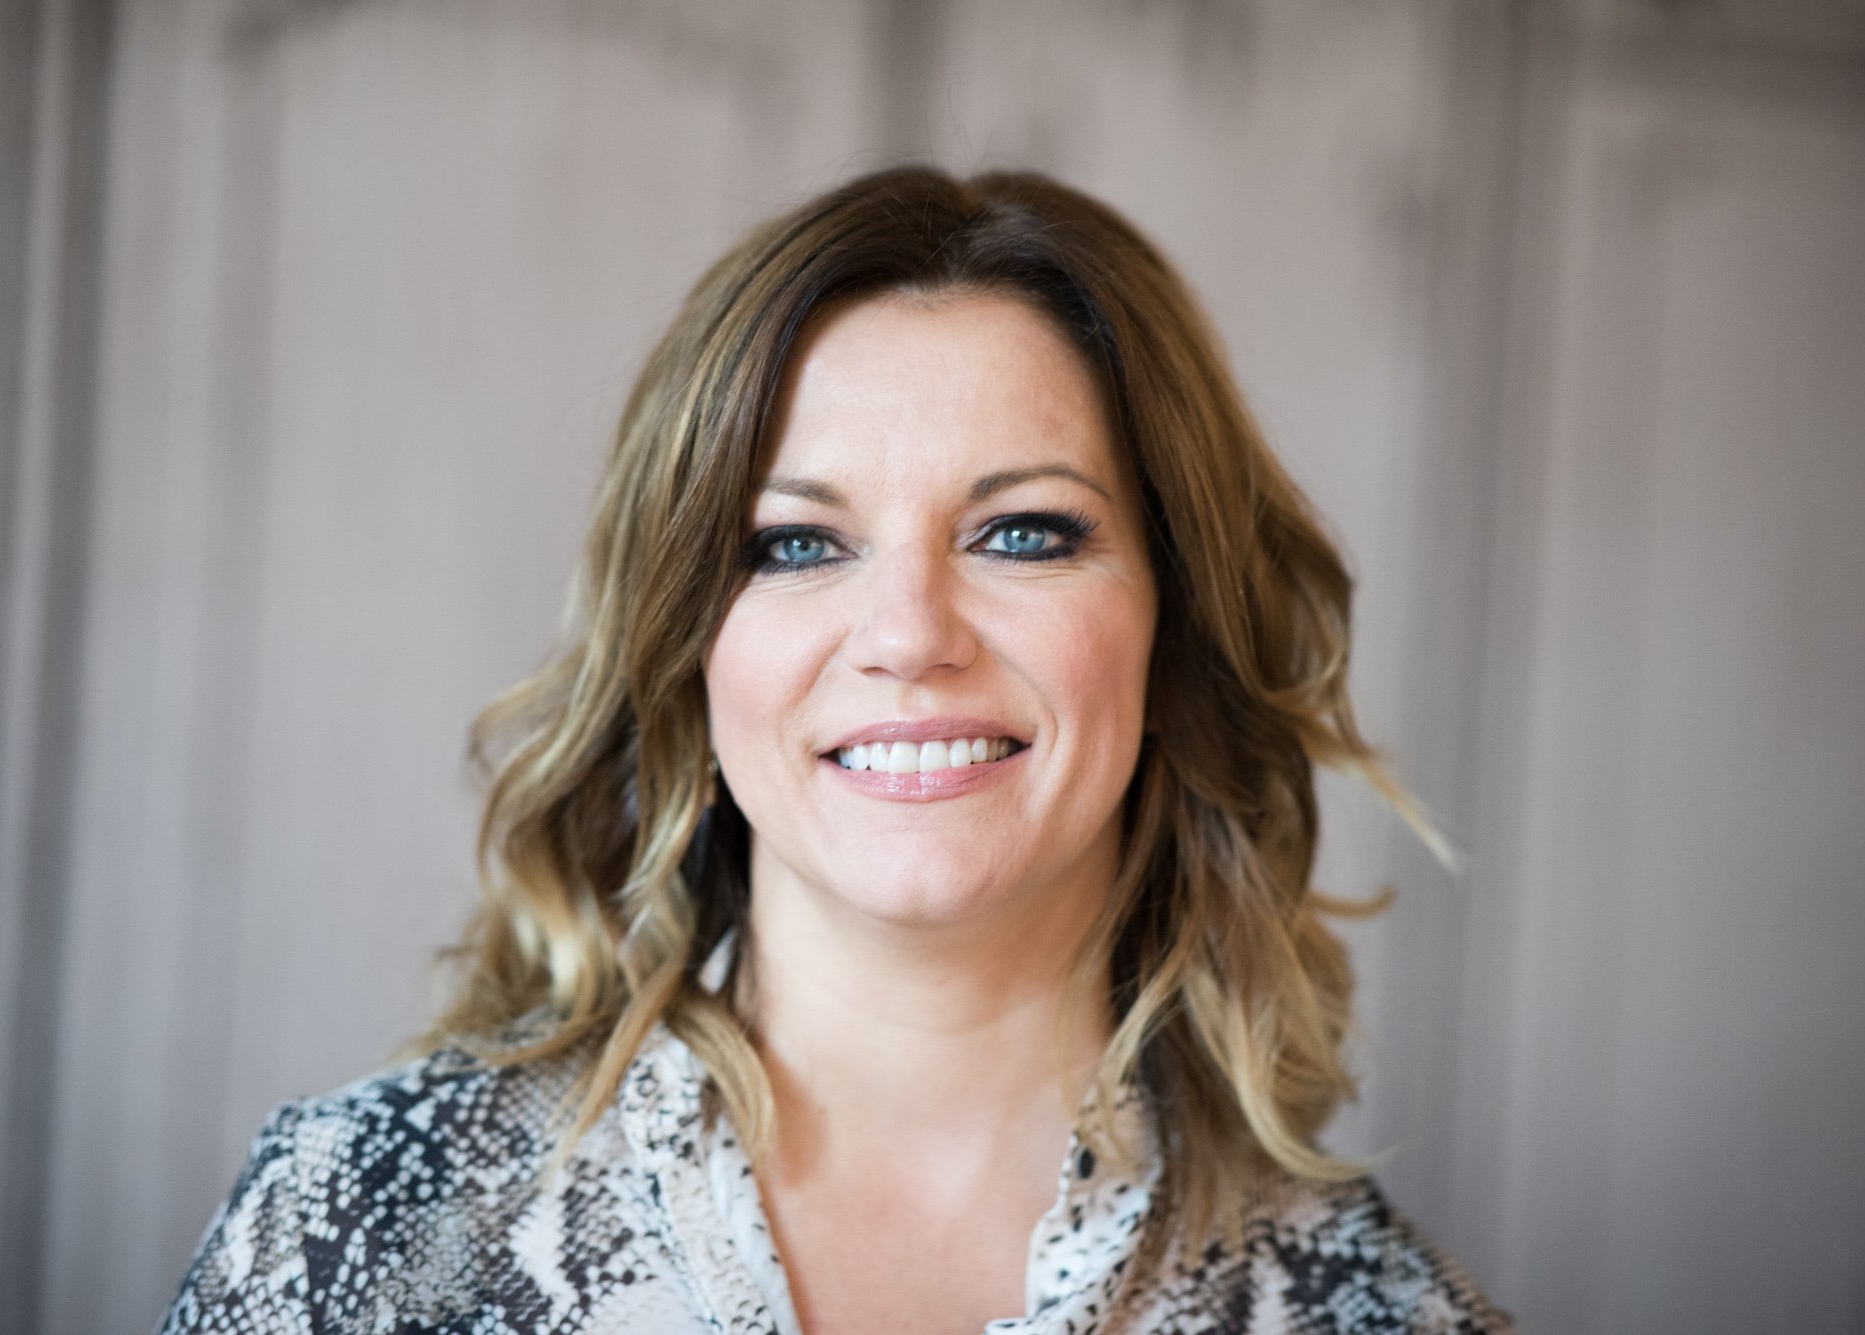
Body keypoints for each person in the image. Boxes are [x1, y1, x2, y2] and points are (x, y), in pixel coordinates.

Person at [158, 165, 1512, 1334]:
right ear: (689, 648)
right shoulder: (355, 1230)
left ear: (1175, 628)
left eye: (1023, 532)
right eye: (795, 544)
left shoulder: (1385, 1316)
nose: (909, 636)